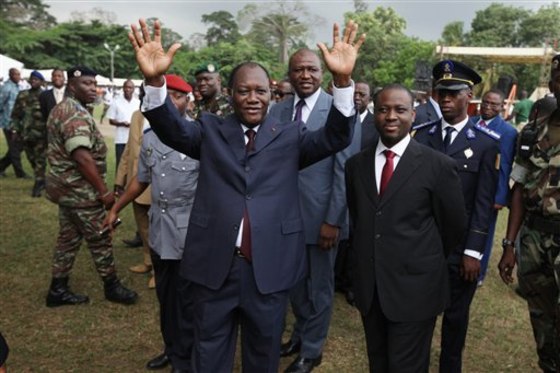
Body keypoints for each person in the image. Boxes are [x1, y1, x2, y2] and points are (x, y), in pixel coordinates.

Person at [128, 18, 363, 372]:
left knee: (262, 353)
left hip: (267, 269)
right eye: (243, 91)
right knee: (209, 352)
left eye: (260, 91)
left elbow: (336, 136)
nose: (252, 98)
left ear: (271, 93)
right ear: (231, 94)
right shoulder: (209, 131)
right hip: (213, 266)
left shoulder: (290, 136)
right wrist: (154, 80)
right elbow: (169, 128)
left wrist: (343, 81)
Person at [346, 83, 466, 373]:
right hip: (371, 288)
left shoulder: (438, 166)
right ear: (375, 114)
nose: (391, 116)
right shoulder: (355, 165)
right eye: (384, 109)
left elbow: (453, 227)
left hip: (415, 290)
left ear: (414, 115)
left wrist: (418, 258)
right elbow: (360, 219)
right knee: (379, 362)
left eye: (400, 110)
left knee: (406, 367)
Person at [269, 48, 360, 373]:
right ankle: (299, 334)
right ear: (289, 74)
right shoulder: (276, 111)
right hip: (282, 220)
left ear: (322, 72)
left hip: (321, 219)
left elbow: (343, 171)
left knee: (319, 288)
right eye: (297, 70)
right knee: (292, 283)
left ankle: (312, 350)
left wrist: (333, 221)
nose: (304, 75)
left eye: (311, 69)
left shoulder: (339, 109)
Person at [105, 74, 197, 373]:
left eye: (178, 96)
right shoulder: (150, 136)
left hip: (190, 234)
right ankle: (171, 348)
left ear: (188, 100)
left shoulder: (199, 136)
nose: (171, 102)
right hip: (159, 231)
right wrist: (115, 207)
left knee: (187, 301)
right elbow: (141, 180)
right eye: (166, 96)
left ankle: (187, 357)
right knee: (165, 298)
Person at [412, 59, 499, 373]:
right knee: (418, 320)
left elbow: (483, 202)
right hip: (421, 248)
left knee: (455, 320)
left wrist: (473, 251)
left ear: (469, 95)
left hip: (459, 252)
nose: (445, 99)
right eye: (441, 93)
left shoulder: (487, 144)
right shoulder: (420, 137)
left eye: (453, 93)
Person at [44, 65, 138, 307]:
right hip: (80, 192)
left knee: (68, 238)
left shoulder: (62, 109)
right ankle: (112, 286)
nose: (93, 89)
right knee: (101, 236)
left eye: (94, 84)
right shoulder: (74, 113)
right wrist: (104, 192)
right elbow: (82, 157)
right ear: (72, 86)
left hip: (66, 191)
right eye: (86, 84)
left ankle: (58, 289)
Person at [498, 54, 560, 373]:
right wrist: (510, 246)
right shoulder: (531, 133)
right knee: (542, 319)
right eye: (559, 77)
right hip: (535, 241)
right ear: (552, 84)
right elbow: (519, 188)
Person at [335, 80, 379, 306]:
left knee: (356, 236)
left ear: (369, 99)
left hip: (364, 189)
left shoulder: (375, 124)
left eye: (363, 94)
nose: (358, 97)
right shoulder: (337, 118)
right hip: (338, 184)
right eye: (355, 93)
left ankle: (351, 283)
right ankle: (336, 277)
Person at [471, 89, 518, 285]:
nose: (488, 107)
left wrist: (500, 197)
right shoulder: (471, 123)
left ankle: (479, 273)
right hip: (469, 186)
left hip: (490, 192)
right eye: (485, 103)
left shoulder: (508, 132)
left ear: (502, 107)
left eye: (494, 104)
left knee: (485, 231)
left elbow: (505, 165)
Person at [114, 108, 154, 287]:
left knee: (158, 231)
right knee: (143, 226)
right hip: (134, 182)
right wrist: (119, 178)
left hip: (156, 183)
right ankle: (148, 262)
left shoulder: (167, 115)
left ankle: (159, 271)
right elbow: (129, 149)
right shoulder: (137, 116)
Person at [11, 71, 47, 197]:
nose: (33, 81)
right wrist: (15, 130)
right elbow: (15, 115)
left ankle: (38, 185)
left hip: (41, 135)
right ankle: (42, 179)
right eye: (32, 79)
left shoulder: (45, 96)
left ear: (42, 82)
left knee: (40, 160)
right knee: (31, 159)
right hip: (25, 134)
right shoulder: (22, 95)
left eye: (37, 79)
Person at [0, 68, 28, 179]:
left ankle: (1, 166)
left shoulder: (18, 87)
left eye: (19, 74)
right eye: (16, 75)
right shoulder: (6, 88)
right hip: (8, 123)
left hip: (17, 122)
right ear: (10, 75)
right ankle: (20, 173)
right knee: (15, 149)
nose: (19, 77)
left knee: (18, 147)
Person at [107, 79, 140, 168]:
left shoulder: (138, 103)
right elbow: (111, 120)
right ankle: (119, 182)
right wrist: (122, 124)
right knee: (121, 163)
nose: (127, 89)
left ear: (133, 89)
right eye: (126, 87)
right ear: (123, 88)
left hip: (135, 139)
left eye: (130, 87)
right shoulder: (116, 102)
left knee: (134, 164)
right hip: (121, 139)